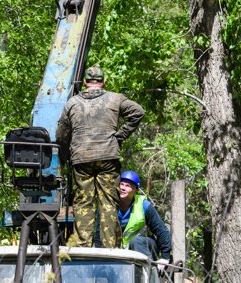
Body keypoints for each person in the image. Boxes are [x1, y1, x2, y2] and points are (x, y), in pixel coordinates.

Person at [56, 66, 145, 248]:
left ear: (85, 82)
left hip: (81, 158)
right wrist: (119, 137)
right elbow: (138, 112)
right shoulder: (115, 98)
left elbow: (60, 134)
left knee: (83, 202)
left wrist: (67, 152)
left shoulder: (72, 103)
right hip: (108, 157)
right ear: (103, 82)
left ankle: (82, 247)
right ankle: (109, 248)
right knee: (108, 202)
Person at [116, 170, 171, 271]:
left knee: (135, 241)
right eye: (121, 184)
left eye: (127, 186)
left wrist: (165, 257)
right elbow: (98, 234)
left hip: (143, 247)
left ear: (135, 190)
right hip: (119, 251)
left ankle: (147, 274)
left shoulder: (144, 205)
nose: (123, 188)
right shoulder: (109, 205)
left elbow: (161, 231)